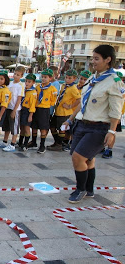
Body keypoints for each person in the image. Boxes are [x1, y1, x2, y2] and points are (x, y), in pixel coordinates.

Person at [62, 45, 124, 203]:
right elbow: (83, 102)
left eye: (97, 59)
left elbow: (116, 111)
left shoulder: (114, 81)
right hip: (83, 124)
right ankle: (89, 190)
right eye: (93, 58)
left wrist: (111, 132)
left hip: (99, 127)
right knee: (88, 159)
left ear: (108, 60)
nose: (93, 62)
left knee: (78, 158)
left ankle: (80, 189)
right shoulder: (93, 77)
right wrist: (70, 119)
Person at [48, 69, 81, 151]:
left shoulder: (73, 88)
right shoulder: (64, 85)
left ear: (74, 79)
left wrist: (70, 106)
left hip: (65, 112)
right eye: (66, 77)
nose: (67, 79)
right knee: (52, 126)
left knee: (62, 129)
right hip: (58, 111)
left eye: (70, 78)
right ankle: (57, 142)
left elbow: (79, 99)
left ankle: (59, 144)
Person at [28, 68, 58, 154]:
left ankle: (42, 145)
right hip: (36, 108)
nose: (43, 79)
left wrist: (47, 105)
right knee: (34, 126)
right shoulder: (38, 87)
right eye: (42, 77)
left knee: (43, 127)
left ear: (50, 78)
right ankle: (33, 142)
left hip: (45, 109)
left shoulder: (52, 89)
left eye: (46, 77)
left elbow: (53, 101)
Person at [102, 71, 125, 158]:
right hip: (106, 113)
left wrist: (119, 115)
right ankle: (102, 147)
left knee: (112, 131)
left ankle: (109, 149)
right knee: (104, 130)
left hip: (115, 114)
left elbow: (121, 103)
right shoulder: (108, 86)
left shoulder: (121, 88)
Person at [2, 66, 25, 152]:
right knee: (7, 125)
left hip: (15, 109)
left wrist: (14, 111)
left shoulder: (20, 86)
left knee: (14, 127)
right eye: (15, 74)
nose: (15, 76)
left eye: (18, 75)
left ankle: (13, 143)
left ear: (21, 76)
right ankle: (5, 141)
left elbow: (19, 99)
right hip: (8, 107)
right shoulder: (10, 84)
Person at [18, 73, 37, 151]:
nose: (27, 83)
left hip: (28, 111)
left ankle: (25, 144)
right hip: (23, 110)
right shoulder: (25, 90)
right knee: (22, 127)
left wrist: (30, 115)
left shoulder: (33, 92)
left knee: (26, 128)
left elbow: (33, 105)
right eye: (26, 81)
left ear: (33, 83)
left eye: (29, 82)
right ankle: (20, 142)